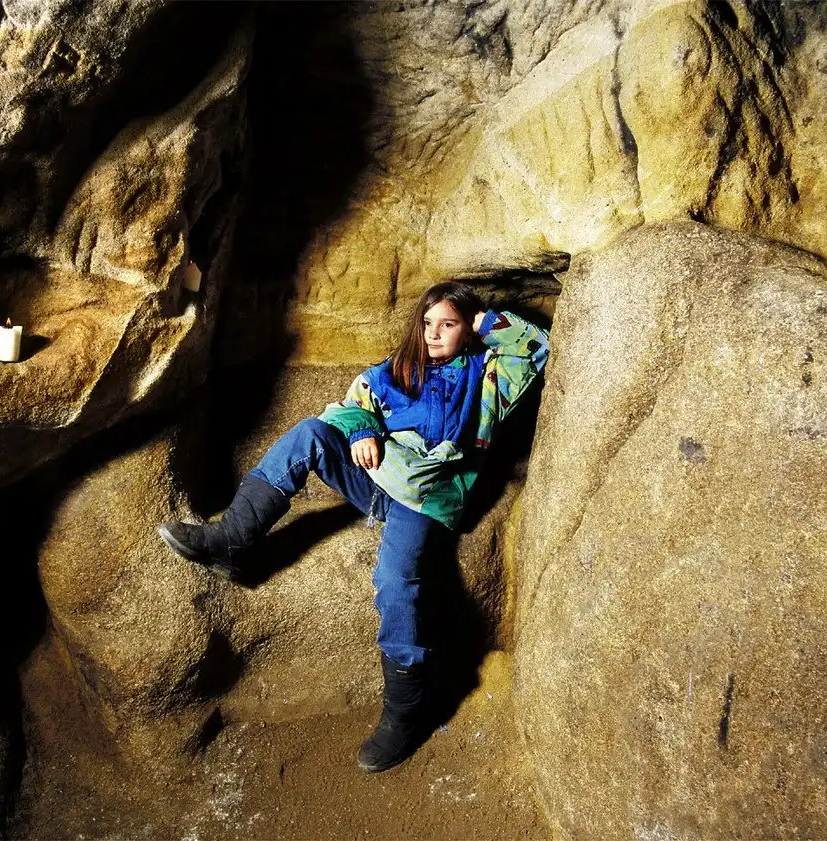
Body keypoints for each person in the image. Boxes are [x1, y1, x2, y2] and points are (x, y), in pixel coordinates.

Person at [159, 281, 550, 772]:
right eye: (427, 322)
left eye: (447, 324)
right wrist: (363, 430)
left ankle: (404, 713)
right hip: (375, 479)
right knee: (310, 433)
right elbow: (350, 406)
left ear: (467, 330)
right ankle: (232, 539)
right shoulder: (398, 369)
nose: (433, 333)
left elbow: (536, 348)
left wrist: (479, 321)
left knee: (395, 581)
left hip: (424, 501)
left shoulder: (489, 376)